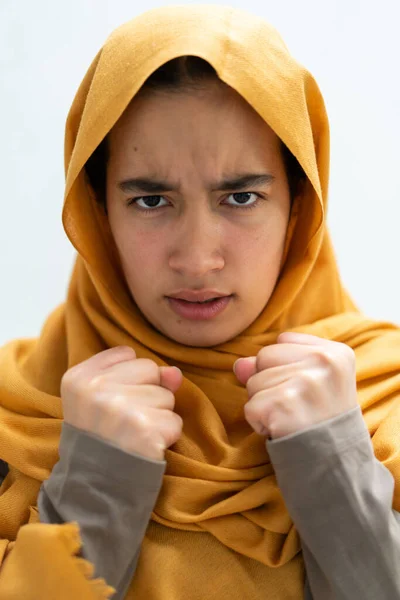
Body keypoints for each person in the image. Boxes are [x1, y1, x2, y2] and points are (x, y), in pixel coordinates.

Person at [0, 4, 400, 599]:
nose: (196, 259)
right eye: (151, 201)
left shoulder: (385, 398)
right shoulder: (18, 415)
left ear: (298, 206)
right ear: (97, 211)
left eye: (240, 197)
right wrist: (93, 491)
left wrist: (335, 466)